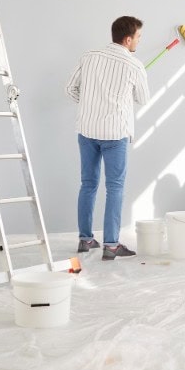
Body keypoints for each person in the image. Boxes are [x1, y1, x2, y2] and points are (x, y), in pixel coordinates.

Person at [65, 16, 150, 260]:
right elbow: (143, 99)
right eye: (138, 37)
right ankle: (111, 245)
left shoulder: (89, 56)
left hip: (87, 130)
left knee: (88, 184)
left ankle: (85, 239)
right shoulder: (135, 66)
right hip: (115, 134)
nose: (138, 42)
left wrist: (91, 104)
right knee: (115, 188)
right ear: (127, 39)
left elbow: (69, 88)